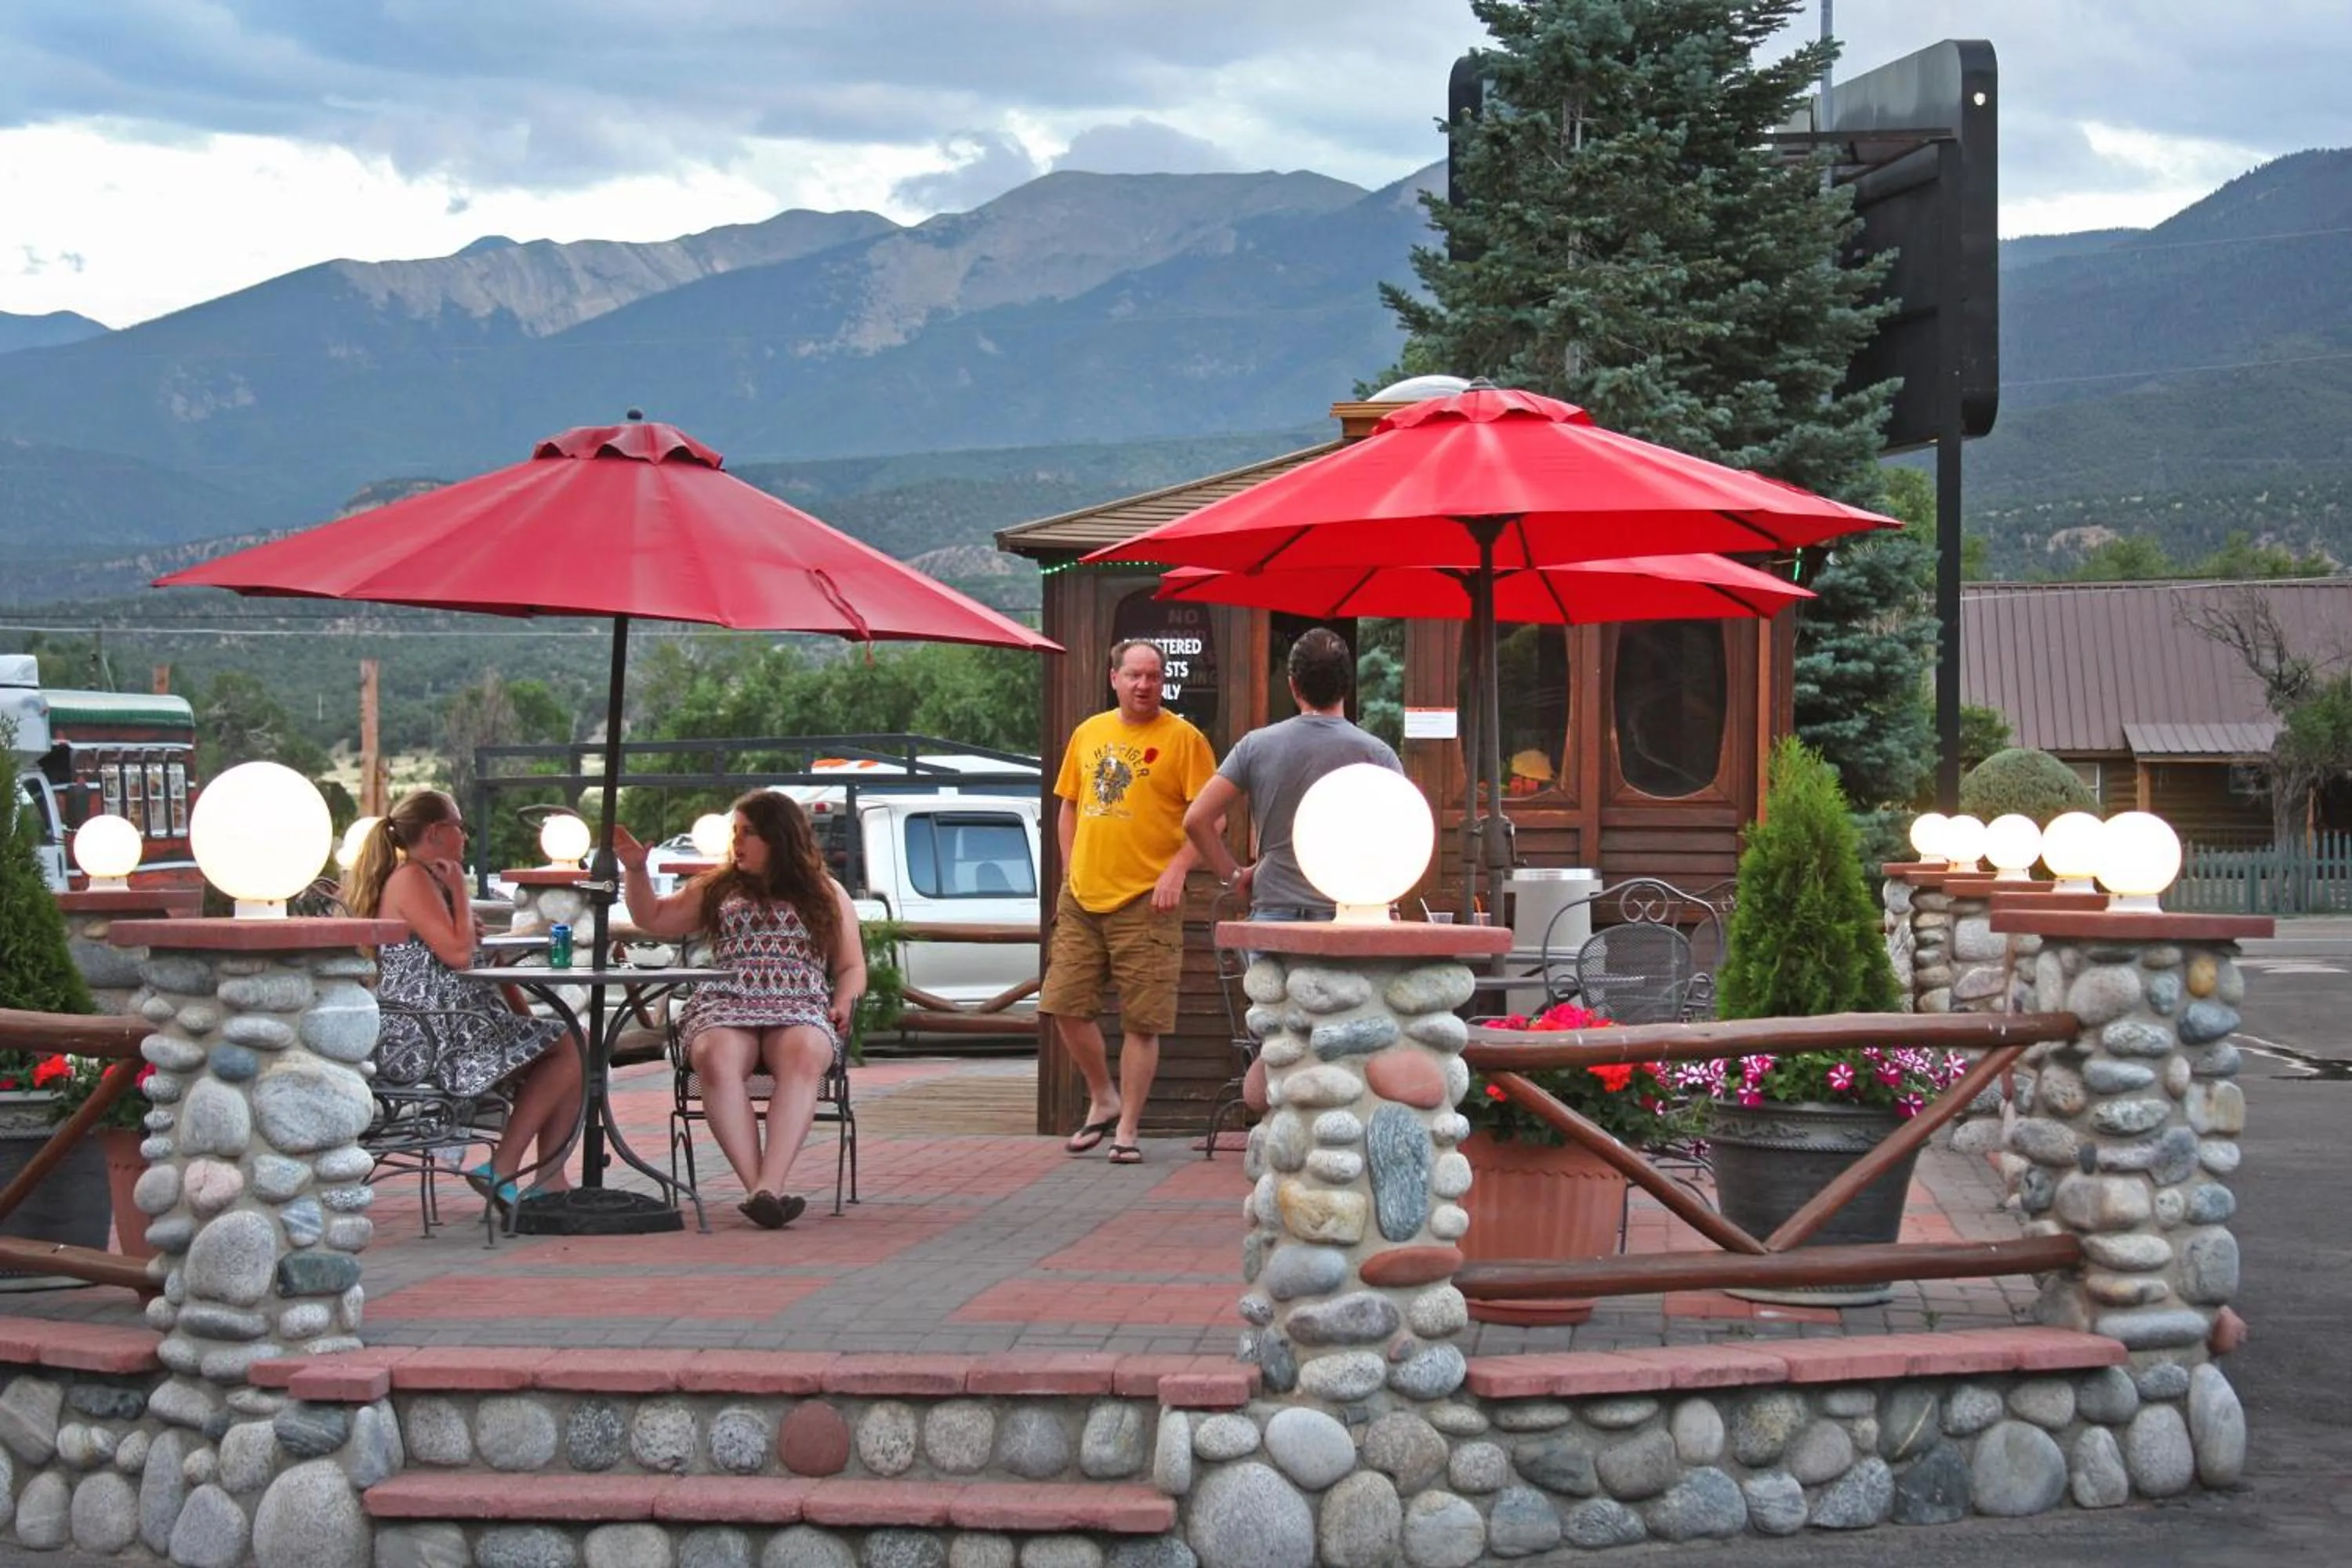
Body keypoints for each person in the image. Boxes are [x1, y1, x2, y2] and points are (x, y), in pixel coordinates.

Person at [613, 790, 864, 1229]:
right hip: (728, 1000)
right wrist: (636, 870)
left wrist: (842, 1001)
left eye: (748, 833)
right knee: (715, 1056)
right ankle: (761, 1191)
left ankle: (768, 1185)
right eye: (735, 832)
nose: (737, 842)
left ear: (778, 837)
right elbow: (653, 917)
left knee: (804, 1053)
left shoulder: (826, 891)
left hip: (799, 1001)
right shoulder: (719, 886)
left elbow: (851, 966)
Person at [339, 789, 583, 1211]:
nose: (465, 836)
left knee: (573, 1047)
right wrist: (460, 891)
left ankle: (548, 1178)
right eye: (460, 827)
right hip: (424, 1038)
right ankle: (505, 1169)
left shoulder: (426, 881)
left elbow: (463, 952)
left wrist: (464, 921)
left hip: (453, 1025)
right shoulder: (412, 878)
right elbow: (456, 955)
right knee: (571, 1050)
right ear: (436, 831)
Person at [1040, 637, 1217, 1165]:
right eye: (1135, 675)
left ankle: (1129, 1130)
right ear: (1113, 678)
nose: (1144, 685)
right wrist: (1069, 872)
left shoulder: (1185, 739)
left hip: (1147, 899)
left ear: (1164, 682)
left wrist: (1178, 870)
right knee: (1063, 1004)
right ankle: (1103, 1097)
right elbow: (1069, 807)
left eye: (1154, 676)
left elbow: (1214, 819)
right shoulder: (1088, 733)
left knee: (1144, 1020)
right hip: (1083, 896)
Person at [1184, 627, 1404, 920]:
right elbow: (1400, 841)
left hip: (1274, 909)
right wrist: (1389, 901)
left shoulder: (1255, 746)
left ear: (1293, 685)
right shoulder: (1377, 754)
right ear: (1347, 686)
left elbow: (1196, 820)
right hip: (1348, 915)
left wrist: (1235, 877)